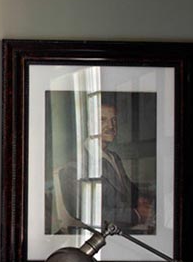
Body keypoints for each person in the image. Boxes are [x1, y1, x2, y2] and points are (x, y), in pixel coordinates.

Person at [54, 99, 155, 233]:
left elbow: (127, 187)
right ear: (89, 125)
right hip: (103, 233)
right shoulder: (74, 165)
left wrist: (141, 199)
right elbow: (86, 212)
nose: (111, 126)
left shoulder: (114, 157)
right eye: (102, 120)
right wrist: (136, 215)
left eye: (114, 120)